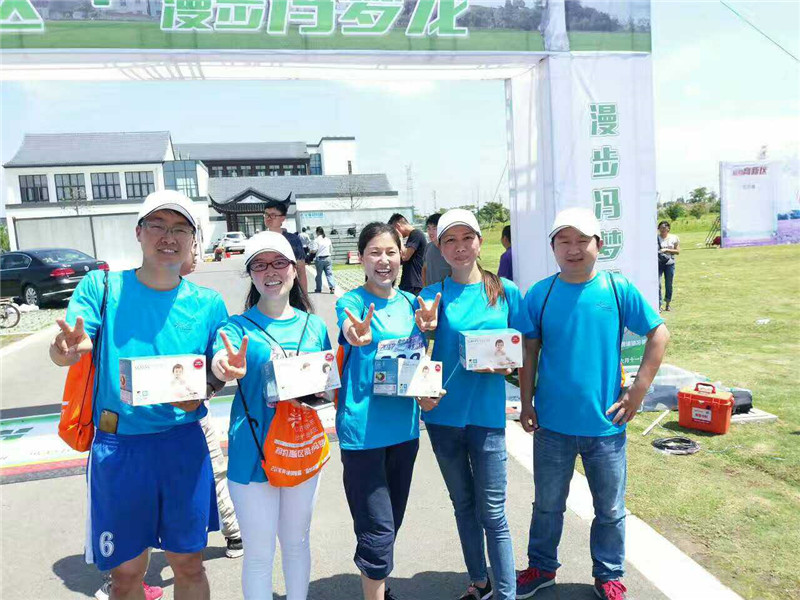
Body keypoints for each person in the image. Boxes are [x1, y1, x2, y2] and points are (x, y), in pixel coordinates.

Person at [50, 190, 228, 600]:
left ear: (193, 239)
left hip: (183, 444)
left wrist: (214, 383)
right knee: (127, 574)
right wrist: (65, 350)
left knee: (189, 564)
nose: (169, 236)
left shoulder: (207, 303)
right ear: (139, 232)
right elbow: (70, 346)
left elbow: (218, 364)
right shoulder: (104, 286)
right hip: (120, 447)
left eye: (180, 228)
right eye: (158, 225)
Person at [516, 207, 669, 600]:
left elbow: (658, 333)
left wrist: (638, 389)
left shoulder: (617, 289)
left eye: (582, 240)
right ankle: (541, 567)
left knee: (611, 510)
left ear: (599, 245)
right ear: (553, 247)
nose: (573, 249)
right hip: (552, 424)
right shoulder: (541, 293)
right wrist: (526, 401)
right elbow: (530, 352)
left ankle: (608, 575)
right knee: (547, 505)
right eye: (564, 241)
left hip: (606, 426)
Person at [415, 208, 533, 600]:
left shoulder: (505, 291)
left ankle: (506, 593)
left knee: (494, 513)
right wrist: (425, 332)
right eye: (450, 240)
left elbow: (525, 346)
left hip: (486, 417)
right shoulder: (431, 295)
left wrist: (508, 369)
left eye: (468, 238)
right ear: (439, 246)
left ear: (480, 242)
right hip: (443, 418)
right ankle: (478, 581)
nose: (460, 247)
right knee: (462, 504)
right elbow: (416, 356)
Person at [211, 231, 331, 600]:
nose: (271, 272)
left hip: (301, 448)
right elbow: (220, 361)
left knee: (297, 544)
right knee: (260, 556)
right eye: (259, 265)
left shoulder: (314, 326)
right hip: (253, 455)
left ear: (295, 270)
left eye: (279, 262)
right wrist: (224, 366)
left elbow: (327, 386)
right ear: (251, 274)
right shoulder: (235, 328)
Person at [336, 223, 423, 600]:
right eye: (374, 252)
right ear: (362, 258)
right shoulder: (352, 303)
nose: (383, 260)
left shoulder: (411, 304)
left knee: (391, 522)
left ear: (401, 255)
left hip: (404, 430)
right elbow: (349, 328)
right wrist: (355, 333)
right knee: (377, 528)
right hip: (363, 432)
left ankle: (378, 588)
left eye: (390, 251)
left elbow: (419, 363)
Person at [179, 238, 244, 561]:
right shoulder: (130, 298)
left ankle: (233, 532)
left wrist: (208, 386)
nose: (193, 255)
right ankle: (124, 568)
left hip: (193, 412)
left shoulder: (204, 302)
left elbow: (221, 352)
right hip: (141, 423)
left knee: (215, 469)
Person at [264, 197, 309, 295]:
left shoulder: (293, 239)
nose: (268, 218)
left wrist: (305, 297)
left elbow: (301, 270)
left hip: (291, 291)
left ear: (282, 218)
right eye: (266, 214)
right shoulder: (259, 239)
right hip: (266, 291)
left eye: (273, 215)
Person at [388, 213, 427, 296]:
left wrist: (400, 239)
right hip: (409, 283)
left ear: (398, 226)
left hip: (414, 284)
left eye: (394, 231)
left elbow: (405, 256)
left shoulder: (416, 234)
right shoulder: (413, 236)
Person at [422, 212, 452, 286]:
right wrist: (424, 288)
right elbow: (424, 269)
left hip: (449, 291)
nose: (430, 232)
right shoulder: (428, 247)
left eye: (435, 229)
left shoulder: (451, 248)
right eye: (428, 228)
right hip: (431, 292)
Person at [657, 220, 680, 312]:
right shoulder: (655, 238)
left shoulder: (674, 238)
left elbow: (678, 251)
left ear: (668, 228)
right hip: (658, 262)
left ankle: (668, 304)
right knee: (657, 284)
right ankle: (658, 305)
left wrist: (666, 250)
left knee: (668, 284)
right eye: (660, 228)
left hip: (670, 262)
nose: (662, 229)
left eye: (664, 228)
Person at [313, 226, 337, 294]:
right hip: (328, 258)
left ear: (317, 232)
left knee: (319, 275)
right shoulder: (328, 239)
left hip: (320, 259)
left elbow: (314, 250)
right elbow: (331, 249)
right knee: (329, 274)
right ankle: (332, 287)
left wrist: (311, 252)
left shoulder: (316, 240)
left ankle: (318, 289)